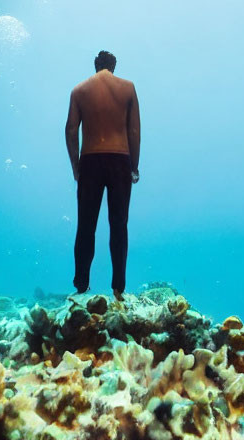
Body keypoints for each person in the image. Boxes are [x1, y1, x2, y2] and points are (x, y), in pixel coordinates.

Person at [65, 50, 140, 301]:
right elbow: (134, 130)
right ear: (113, 66)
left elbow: (71, 130)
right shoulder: (128, 88)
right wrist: (134, 166)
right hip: (120, 159)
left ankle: (81, 284)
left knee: (86, 225)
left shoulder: (79, 90)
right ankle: (118, 287)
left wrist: (75, 166)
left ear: (96, 66)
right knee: (119, 225)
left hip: (90, 160)